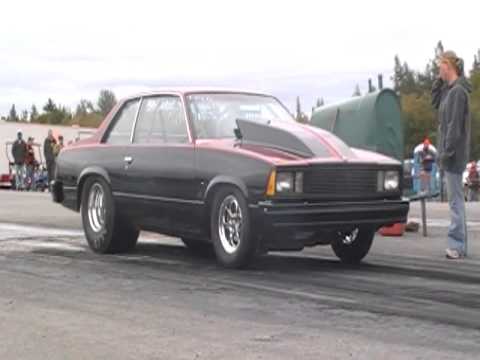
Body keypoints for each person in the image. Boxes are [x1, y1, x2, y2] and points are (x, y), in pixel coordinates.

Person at [431, 51, 472, 259]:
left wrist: (446, 154)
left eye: (441, 66)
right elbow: (435, 101)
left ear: (448, 66)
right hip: (452, 153)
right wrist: (439, 81)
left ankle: (457, 245)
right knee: (456, 200)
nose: (439, 70)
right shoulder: (450, 91)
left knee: (455, 202)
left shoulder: (457, 93)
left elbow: (454, 127)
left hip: (453, 155)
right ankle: (461, 245)